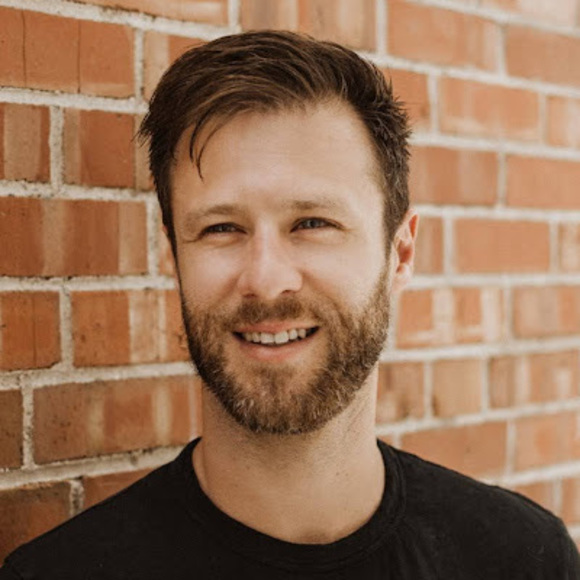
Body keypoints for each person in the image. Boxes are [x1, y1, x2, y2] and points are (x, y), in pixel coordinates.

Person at [1, 30, 578, 580]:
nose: (267, 279)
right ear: (174, 256)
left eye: (312, 222)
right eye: (222, 228)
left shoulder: (522, 559)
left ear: (399, 253)